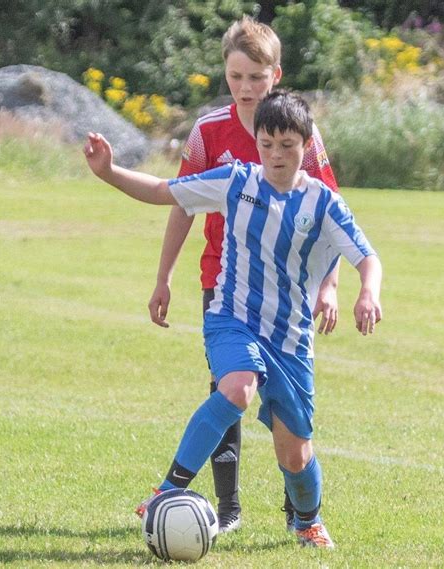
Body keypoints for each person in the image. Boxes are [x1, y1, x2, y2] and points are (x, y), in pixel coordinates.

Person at [83, 89, 383, 549]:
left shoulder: (324, 204)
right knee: (238, 386)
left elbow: (367, 258)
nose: (276, 155)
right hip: (232, 319)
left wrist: (367, 291)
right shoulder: (235, 182)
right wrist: (108, 173)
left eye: (287, 145)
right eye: (267, 143)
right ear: (256, 141)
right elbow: (165, 191)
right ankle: (168, 490)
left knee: (295, 453)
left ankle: (307, 521)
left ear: (306, 144)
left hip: (290, 340)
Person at [147, 16, 340, 533]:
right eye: (236, 77)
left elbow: (331, 211)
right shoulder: (209, 131)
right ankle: (226, 508)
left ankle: (298, 510)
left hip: (290, 292)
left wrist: (331, 284)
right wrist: (163, 276)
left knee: (288, 422)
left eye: (256, 77)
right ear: (225, 75)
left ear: (275, 75)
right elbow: (181, 204)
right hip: (224, 280)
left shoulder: (299, 131)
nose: (246, 88)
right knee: (229, 386)